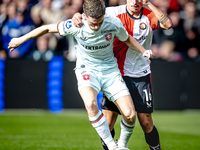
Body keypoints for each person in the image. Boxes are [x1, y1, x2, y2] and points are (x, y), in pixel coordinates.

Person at [8, 0, 154, 149]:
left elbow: (127, 39)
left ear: (104, 15)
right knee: (91, 103)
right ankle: (112, 146)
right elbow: (46, 28)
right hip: (87, 69)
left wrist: (144, 51)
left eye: (100, 23)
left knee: (130, 115)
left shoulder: (113, 22)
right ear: (85, 16)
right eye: (93, 24)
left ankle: (122, 145)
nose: (97, 27)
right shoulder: (75, 25)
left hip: (110, 71)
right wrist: (21, 39)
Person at [72, 0, 172, 149]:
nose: (136, 2)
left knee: (145, 121)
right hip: (115, 73)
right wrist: (76, 16)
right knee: (109, 121)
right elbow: (90, 15)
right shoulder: (113, 12)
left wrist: (149, 4)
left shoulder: (149, 15)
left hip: (140, 73)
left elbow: (167, 24)